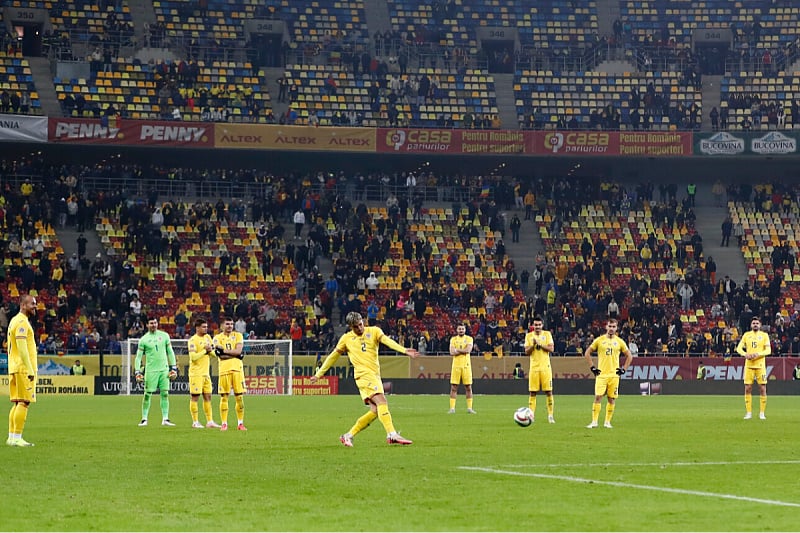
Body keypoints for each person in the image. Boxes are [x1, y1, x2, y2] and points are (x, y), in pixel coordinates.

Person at [311, 312, 419, 447]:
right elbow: (333, 356)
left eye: (361, 324)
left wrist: (404, 350)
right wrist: (319, 374)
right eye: (356, 327)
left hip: (374, 375)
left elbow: (387, 341)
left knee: (375, 411)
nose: (360, 328)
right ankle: (392, 434)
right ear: (351, 327)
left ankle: (348, 435)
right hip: (363, 376)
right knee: (382, 401)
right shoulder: (346, 339)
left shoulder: (374, 331)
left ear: (364, 321)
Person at [583, 318, 632, 429]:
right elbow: (587, 353)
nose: (611, 329)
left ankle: (607, 422)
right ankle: (594, 422)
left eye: (614, 327)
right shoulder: (599, 340)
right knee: (598, 397)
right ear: (606, 327)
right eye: (610, 326)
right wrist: (593, 368)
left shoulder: (619, 342)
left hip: (614, 375)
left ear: (616, 328)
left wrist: (623, 369)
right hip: (602, 374)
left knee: (611, 399)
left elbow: (629, 356)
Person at [135, 317, 178, 427]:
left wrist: (173, 368)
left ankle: (165, 419)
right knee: (147, 394)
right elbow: (138, 357)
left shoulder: (164, 336)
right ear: (147, 325)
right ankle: (144, 419)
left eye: (155, 322)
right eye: (151, 323)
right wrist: (137, 371)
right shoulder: (143, 340)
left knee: (165, 393)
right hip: (151, 371)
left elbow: (170, 352)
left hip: (164, 370)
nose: (153, 325)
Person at [7, 294, 38, 447]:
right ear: (23, 305)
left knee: (17, 402)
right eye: (32, 304)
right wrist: (30, 369)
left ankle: (12, 437)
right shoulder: (21, 322)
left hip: (15, 366)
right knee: (24, 402)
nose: (35, 306)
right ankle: (18, 437)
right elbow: (22, 348)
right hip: (22, 368)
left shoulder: (15, 320)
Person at [213, 316, 246, 431]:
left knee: (239, 397)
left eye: (231, 324)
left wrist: (226, 352)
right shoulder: (217, 338)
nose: (230, 326)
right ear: (222, 325)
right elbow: (220, 356)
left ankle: (240, 423)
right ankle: (224, 423)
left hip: (237, 370)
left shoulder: (238, 336)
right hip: (224, 370)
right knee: (224, 397)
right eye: (227, 324)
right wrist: (236, 355)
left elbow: (238, 351)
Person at [188, 318, 221, 429]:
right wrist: (204, 351)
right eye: (204, 327)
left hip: (206, 373)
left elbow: (213, 354)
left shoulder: (207, 337)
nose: (206, 328)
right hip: (196, 373)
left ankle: (210, 421)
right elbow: (193, 357)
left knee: (208, 397)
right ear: (197, 328)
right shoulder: (192, 340)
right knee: (195, 397)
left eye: (206, 327)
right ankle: (195, 422)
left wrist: (213, 351)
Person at [736, 317, 770, 420]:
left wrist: (758, 354)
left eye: (757, 323)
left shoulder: (764, 336)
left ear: (760, 325)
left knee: (762, 388)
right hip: (749, 365)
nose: (755, 325)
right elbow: (738, 348)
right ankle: (749, 412)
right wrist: (745, 354)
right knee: (747, 388)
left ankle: (762, 413)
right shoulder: (747, 335)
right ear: (751, 325)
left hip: (760, 365)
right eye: (753, 323)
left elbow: (768, 350)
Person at [524, 316, 555, 424]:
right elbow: (526, 352)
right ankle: (531, 416)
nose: (537, 327)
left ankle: (550, 415)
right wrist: (533, 345)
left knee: (549, 392)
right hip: (534, 368)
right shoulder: (529, 336)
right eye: (535, 325)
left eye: (539, 325)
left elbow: (551, 349)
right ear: (532, 326)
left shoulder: (547, 334)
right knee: (533, 393)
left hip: (545, 368)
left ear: (542, 325)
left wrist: (540, 344)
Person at [448, 323, 475, 414]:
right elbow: (451, 352)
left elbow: (468, 350)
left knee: (468, 387)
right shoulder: (453, 339)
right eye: (459, 329)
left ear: (465, 330)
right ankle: (452, 408)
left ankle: (470, 408)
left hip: (466, 366)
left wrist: (457, 350)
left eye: (462, 329)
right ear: (457, 330)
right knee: (454, 387)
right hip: (456, 366)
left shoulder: (469, 339)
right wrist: (461, 351)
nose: (461, 330)